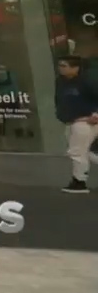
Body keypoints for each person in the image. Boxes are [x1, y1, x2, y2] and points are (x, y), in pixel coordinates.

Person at [55, 55, 98, 193]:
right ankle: (79, 180)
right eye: (60, 65)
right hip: (71, 120)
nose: (61, 69)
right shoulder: (60, 82)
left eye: (64, 66)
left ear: (75, 68)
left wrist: (95, 114)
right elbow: (59, 99)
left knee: (77, 151)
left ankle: (79, 181)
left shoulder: (86, 82)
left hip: (86, 120)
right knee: (86, 151)